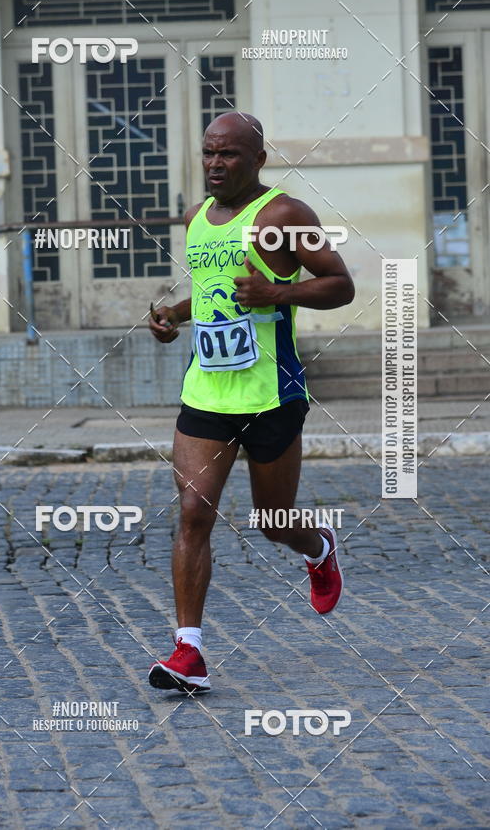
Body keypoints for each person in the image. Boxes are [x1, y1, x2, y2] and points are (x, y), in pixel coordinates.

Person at [147, 112, 355, 693]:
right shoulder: (197, 220)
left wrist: (278, 293)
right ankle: (188, 654)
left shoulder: (286, 216)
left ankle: (317, 547)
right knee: (193, 513)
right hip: (207, 390)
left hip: (271, 394)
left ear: (258, 159)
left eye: (230, 155)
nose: (215, 164)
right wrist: (174, 316)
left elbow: (341, 284)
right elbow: (215, 294)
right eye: (209, 153)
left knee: (272, 521)